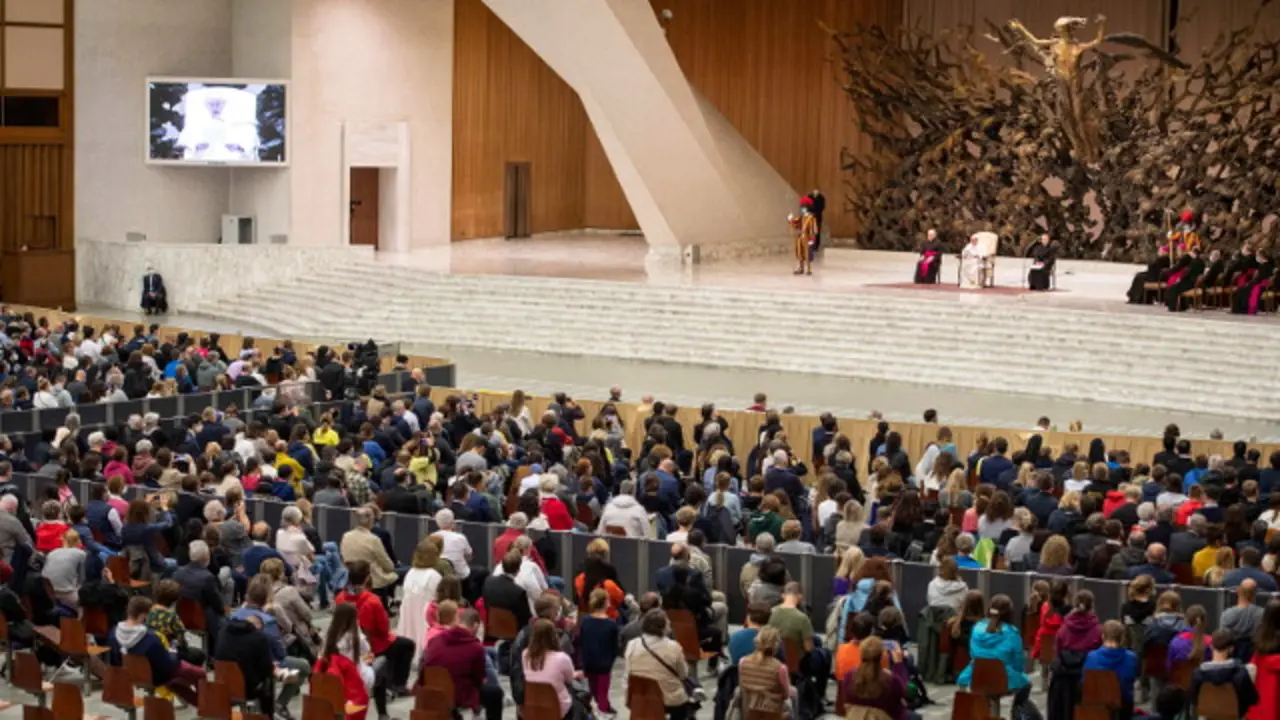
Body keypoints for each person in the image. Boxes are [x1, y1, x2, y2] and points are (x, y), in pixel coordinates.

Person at [335, 560, 415, 696]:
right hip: (373, 645)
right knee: (407, 645)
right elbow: (384, 630)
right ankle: (398, 685)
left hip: (348, 644)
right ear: (367, 577)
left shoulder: (340, 597)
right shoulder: (372, 600)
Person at [110, 596, 203, 705]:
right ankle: (205, 706)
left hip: (130, 675)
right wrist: (174, 654)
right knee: (200, 674)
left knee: (176, 682)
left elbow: (115, 660)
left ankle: (200, 704)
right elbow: (166, 666)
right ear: (142, 616)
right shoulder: (150, 638)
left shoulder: (114, 634)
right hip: (157, 676)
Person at [424, 607, 503, 720]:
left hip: (432, 688)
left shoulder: (436, 639)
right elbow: (478, 678)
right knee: (495, 693)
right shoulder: (475, 647)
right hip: (458, 692)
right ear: (476, 626)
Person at [958, 595, 1030, 706]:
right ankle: (1017, 713)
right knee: (1026, 683)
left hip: (976, 676)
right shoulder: (1012, 633)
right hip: (1003, 678)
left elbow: (972, 654)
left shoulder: (976, 628)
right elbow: (1018, 662)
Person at [314, 603, 379, 720]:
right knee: (375, 666)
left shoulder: (329, 637)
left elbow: (320, 657)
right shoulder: (356, 637)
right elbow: (367, 651)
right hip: (355, 678)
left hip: (334, 678)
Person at [624, 609, 692, 719]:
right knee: (685, 698)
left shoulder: (632, 644)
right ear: (663, 626)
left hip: (639, 698)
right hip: (669, 700)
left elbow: (628, 671)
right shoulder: (673, 647)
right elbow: (683, 674)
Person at [842, 636, 914, 720]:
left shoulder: (849, 677)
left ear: (861, 654)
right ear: (882, 656)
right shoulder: (891, 681)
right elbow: (905, 692)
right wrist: (898, 665)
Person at [523, 618, 581, 719]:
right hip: (558, 707)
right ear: (553, 635)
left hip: (534, 706)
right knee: (581, 703)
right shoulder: (561, 657)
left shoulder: (525, 654)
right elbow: (570, 679)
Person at [1191, 629, 1259, 716]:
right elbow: (1253, 699)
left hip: (1207, 716)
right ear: (1231, 649)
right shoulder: (1241, 673)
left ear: (1211, 646)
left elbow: (1193, 699)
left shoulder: (1198, 673)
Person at [1083, 621, 1139, 720]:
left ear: (1103, 636)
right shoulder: (1131, 657)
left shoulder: (1091, 656)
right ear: (1122, 638)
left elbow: (1085, 681)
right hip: (1123, 706)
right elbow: (1133, 677)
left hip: (1098, 705)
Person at [738, 626, 795, 719]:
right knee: (794, 695)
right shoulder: (780, 668)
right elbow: (786, 694)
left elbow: (742, 687)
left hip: (749, 712)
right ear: (776, 645)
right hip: (773, 714)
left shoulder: (743, 662)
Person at [579, 589, 619, 715]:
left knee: (589, 689)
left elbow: (582, 641)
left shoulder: (585, 621)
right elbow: (615, 647)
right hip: (604, 663)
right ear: (606, 602)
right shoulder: (612, 624)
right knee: (602, 692)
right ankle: (604, 710)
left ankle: (587, 711)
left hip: (588, 662)